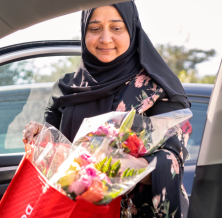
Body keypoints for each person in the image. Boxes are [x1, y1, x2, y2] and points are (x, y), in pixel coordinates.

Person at [23, 2, 191, 217]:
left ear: (132, 29)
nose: (105, 38)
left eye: (116, 28)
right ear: (84, 32)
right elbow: (54, 155)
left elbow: (174, 159)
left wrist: (132, 165)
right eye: (95, 29)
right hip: (72, 210)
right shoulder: (66, 89)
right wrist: (41, 136)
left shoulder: (157, 90)